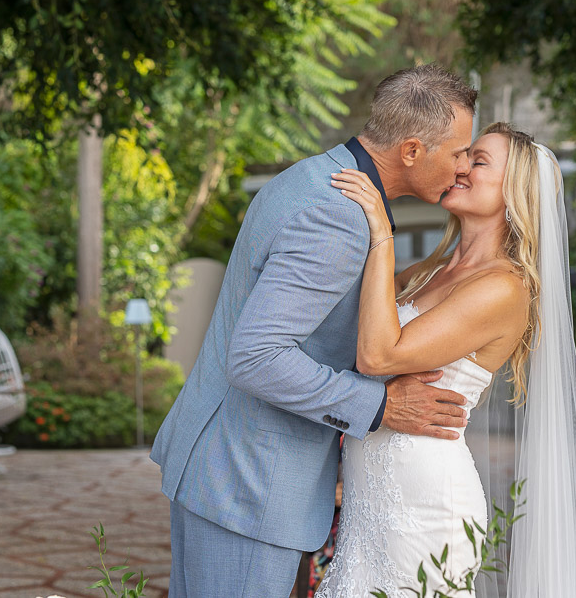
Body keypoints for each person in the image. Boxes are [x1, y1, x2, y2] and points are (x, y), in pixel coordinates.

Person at [150, 64, 479, 598]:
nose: (463, 166)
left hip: (226, 469)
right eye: (459, 152)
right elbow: (257, 357)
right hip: (247, 486)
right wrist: (379, 407)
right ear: (413, 150)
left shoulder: (314, 177)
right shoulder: (338, 217)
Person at [317, 123, 576, 596]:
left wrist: (381, 232)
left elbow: (377, 354)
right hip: (369, 496)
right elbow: (347, 333)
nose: (460, 168)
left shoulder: (503, 288)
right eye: (464, 156)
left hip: (426, 502)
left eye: (479, 161)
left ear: (514, 191)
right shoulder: (427, 272)